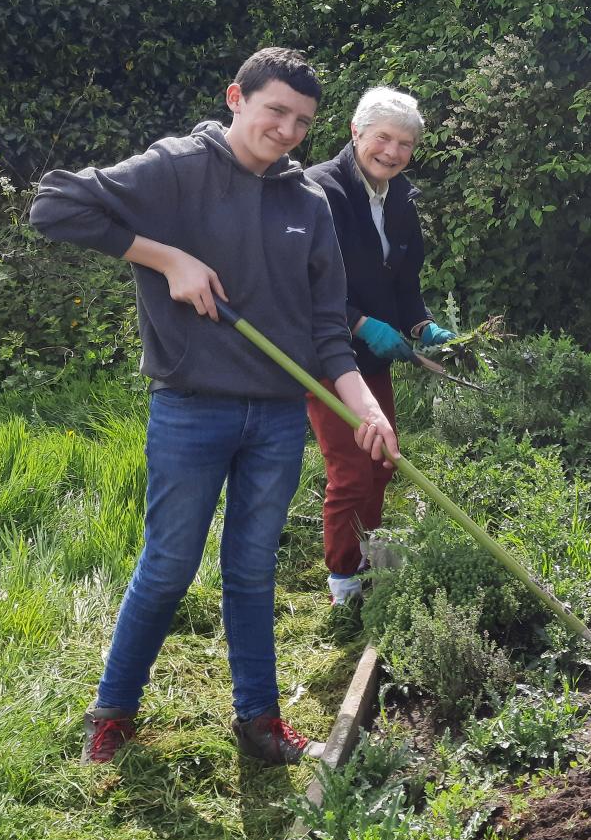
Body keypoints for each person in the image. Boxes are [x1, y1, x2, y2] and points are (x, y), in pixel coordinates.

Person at [32, 47, 399, 767]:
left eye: (303, 121)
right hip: (191, 409)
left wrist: (365, 408)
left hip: (277, 416)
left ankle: (259, 721)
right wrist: (165, 257)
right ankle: (113, 711)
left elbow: (328, 333)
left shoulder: (308, 203)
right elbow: (53, 205)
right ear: (237, 98)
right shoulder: (178, 169)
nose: (288, 131)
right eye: (276, 111)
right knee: (169, 565)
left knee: (253, 569)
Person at [305, 86, 455, 607]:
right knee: (350, 471)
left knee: (383, 460)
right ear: (356, 132)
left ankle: (366, 555)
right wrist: (360, 323)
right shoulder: (318, 191)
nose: (392, 152)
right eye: (383, 138)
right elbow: (301, 281)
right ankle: (343, 580)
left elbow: (405, 285)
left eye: (405, 144)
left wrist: (422, 326)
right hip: (324, 352)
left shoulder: (401, 200)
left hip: (370, 358)